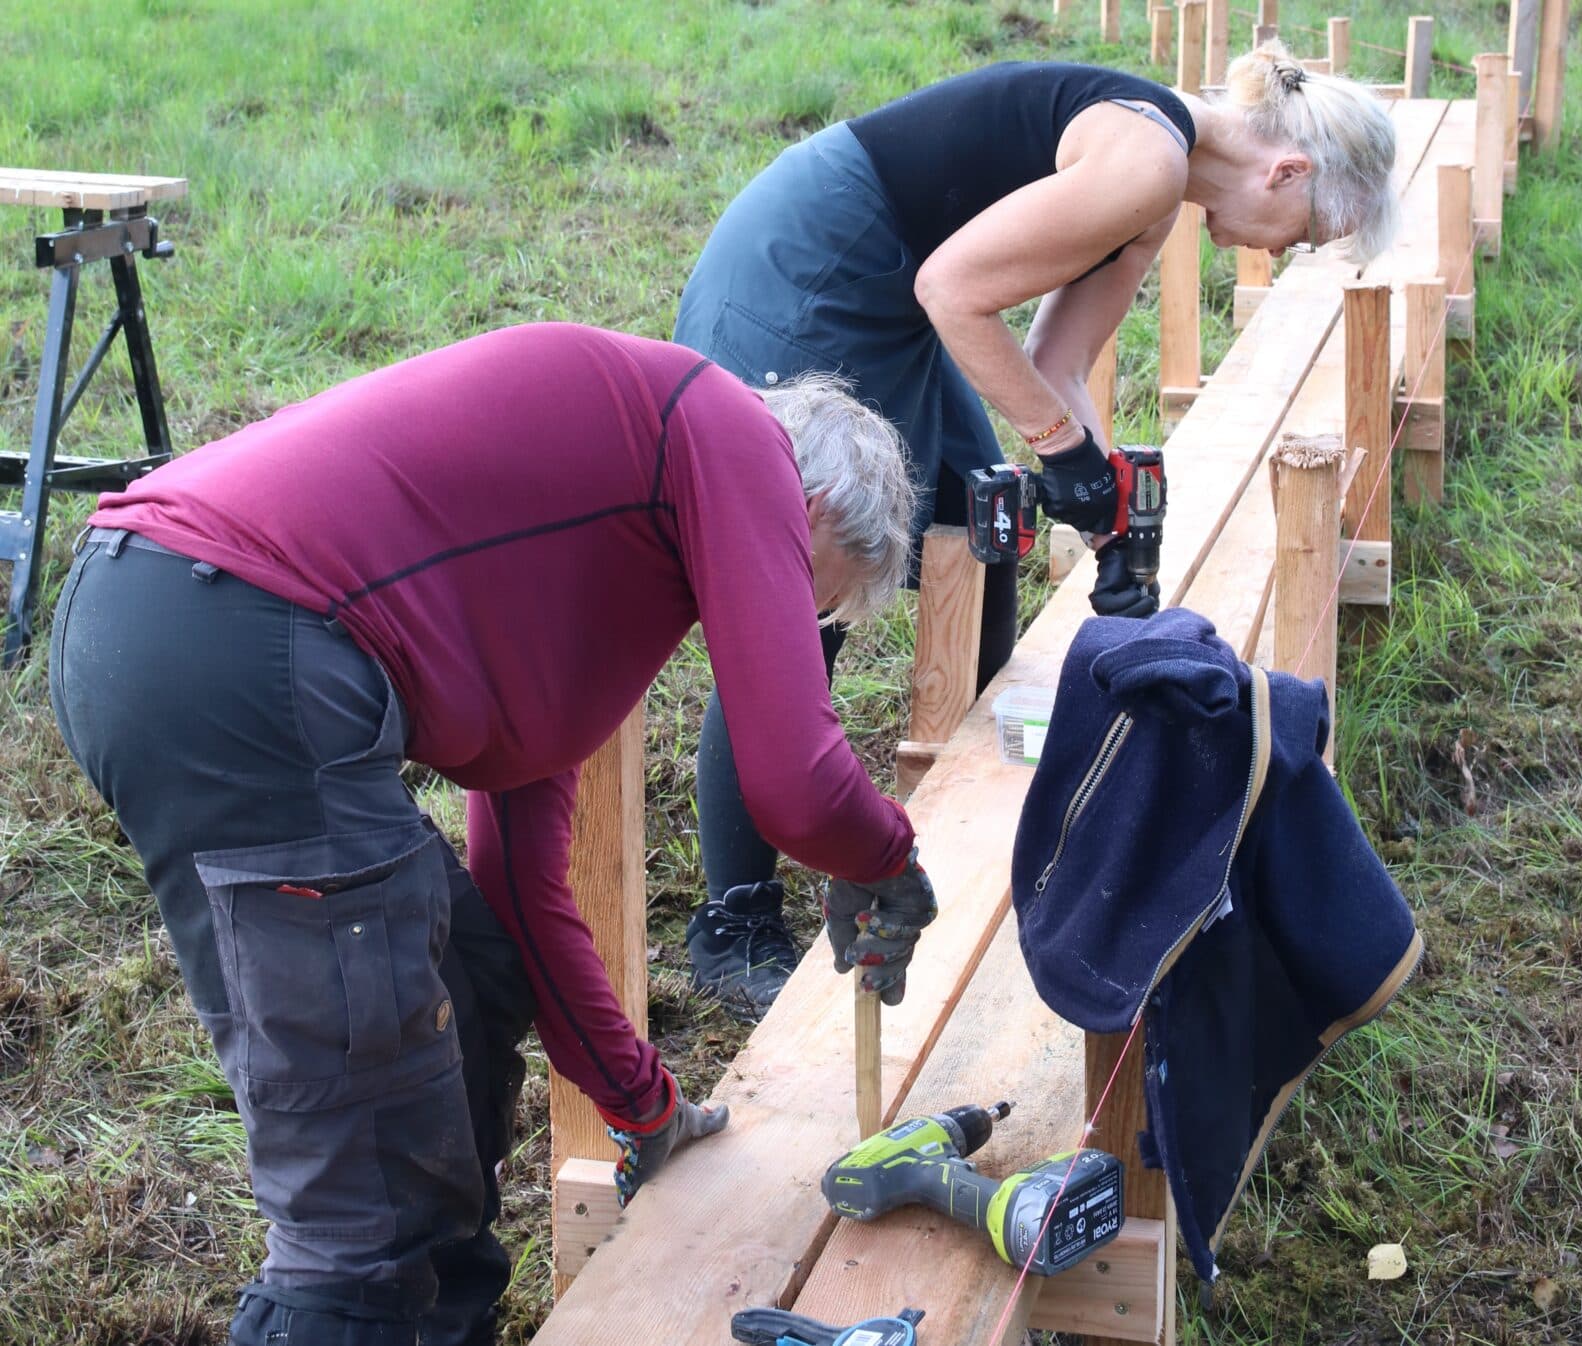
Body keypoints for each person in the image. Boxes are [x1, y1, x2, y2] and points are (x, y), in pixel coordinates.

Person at [48, 323, 938, 1346]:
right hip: (231, 636)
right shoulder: (733, 435)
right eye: (800, 585)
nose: (769, 613)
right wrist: (887, 862)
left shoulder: (592, 550)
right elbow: (794, 783)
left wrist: (643, 1104)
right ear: (807, 507)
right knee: (368, 1209)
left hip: (176, 623)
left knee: (466, 977)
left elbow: (519, 891)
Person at [674, 43, 1399, 1016]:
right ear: (1287, 172)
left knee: (983, 520)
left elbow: (1056, 364)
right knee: (802, 598)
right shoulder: (1147, 159)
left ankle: (984, 789)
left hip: (889, 287)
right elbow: (954, 292)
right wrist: (1064, 451)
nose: (1281, 249)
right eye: (1306, 233)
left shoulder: (1158, 187)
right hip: (809, 270)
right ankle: (732, 924)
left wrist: (1105, 512)